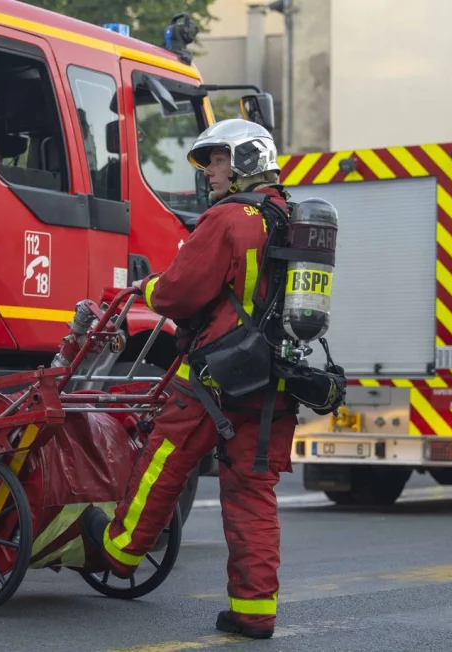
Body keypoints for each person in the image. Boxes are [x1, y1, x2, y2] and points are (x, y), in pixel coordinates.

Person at [80, 118, 302, 640]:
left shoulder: (230, 219)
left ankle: (120, 550)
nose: (211, 173)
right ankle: (254, 611)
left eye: (219, 160)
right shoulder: (293, 219)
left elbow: (181, 292)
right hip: (276, 379)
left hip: (216, 371)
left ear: (247, 160)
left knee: (163, 459)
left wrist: (148, 287)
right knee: (252, 493)